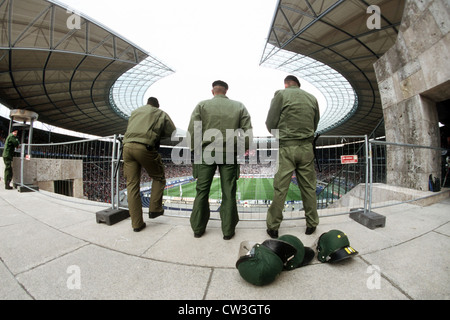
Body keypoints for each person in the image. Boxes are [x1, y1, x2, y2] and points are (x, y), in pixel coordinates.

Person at [188, 80, 253, 240]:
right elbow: (248, 131)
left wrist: (194, 150)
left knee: (202, 191)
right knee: (229, 192)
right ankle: (228, 231)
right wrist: (242, 147)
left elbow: (193, 129)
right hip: (229, 152)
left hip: (206, 152)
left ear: (213, 91)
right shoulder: (239, 106)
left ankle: (198, 228)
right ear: (226, 91)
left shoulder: (201, 105)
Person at [265, 75, 320, 237]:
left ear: (286, 84)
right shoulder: (312, 98)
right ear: (298, 84)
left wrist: (281, 134)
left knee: (281, 188)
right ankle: (312, 223)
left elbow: (270, 122)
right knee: (309, 187)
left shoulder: (281, 95)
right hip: (306, 148)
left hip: (287, 147)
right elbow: (315, 122)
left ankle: (273, 226)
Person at [123, 97, 176, 232]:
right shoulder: (159, 113)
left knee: (132, 185)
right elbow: (172, 132)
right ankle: (155, 209)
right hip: (144, 147)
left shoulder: (135, 112)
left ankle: (137, 224)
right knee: (158, 177)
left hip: (126, 147)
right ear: (157, 105)